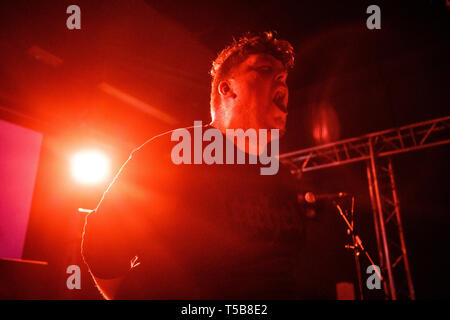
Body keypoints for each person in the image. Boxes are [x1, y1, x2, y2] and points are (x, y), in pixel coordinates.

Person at [81, 31, 303, 299]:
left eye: (283, 76)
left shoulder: (284, 177)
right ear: (227, 89)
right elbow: (102, 247)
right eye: (265, 69)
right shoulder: (172, 154)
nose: (281, 79)